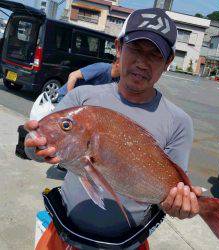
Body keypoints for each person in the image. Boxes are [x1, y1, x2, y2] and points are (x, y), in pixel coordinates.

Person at [25, 8, 202, 249]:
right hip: (64, 236)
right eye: (136, 48)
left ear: (168, 61)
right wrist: (31, 148)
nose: (142, 62)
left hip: (128, 244)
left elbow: (173, 193)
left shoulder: (179, 122)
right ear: (119, 48)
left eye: (154, 54)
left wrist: (181, 205)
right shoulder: (81, 98)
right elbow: (38, 148)